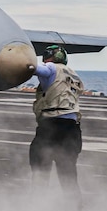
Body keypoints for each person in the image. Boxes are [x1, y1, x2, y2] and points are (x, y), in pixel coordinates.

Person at [29, 44, 84, 198]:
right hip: (72, 129)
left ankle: (36, 208)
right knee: (68, 176)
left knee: (40, 170)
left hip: (51, 127)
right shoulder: (74, 74)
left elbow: (33, 68)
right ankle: (75, 210)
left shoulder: (51, 68)